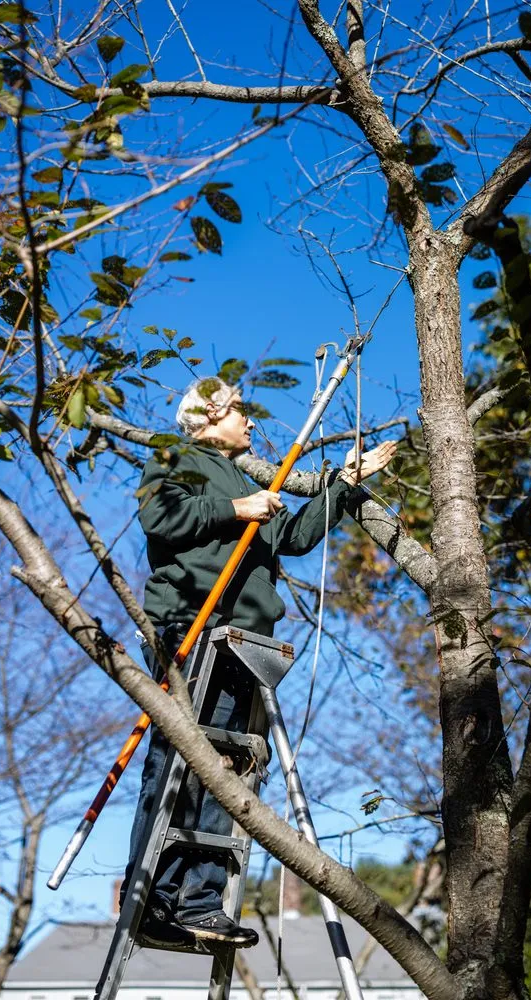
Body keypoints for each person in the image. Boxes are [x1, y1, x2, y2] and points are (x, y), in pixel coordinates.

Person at [124, 375, 396, 949]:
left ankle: (198, 902)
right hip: (195, 628)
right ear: (207, 417)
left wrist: (345, 482)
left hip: (245, 641)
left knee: (225, 771)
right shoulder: (178, 458)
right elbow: (161, 519)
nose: (250, 421)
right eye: (240, 411)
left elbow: (292, 537)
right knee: (180, 763)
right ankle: (152, 899)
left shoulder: (246, 475)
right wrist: (235, 507)